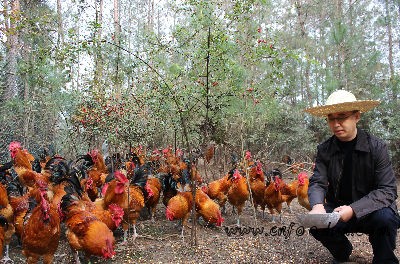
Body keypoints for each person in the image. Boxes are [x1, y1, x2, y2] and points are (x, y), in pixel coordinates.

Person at [304, 90, 400, 264]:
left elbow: (387, 190)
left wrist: (354, 209)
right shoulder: (325, 149)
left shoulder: (377, 148)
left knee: (386, 218)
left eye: (342, 117)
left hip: (372, 209)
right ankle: (342, 252)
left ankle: (384, 259)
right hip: (338, 208)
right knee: (316, 221)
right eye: (331, 118)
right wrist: (317, 206)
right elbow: (318, 181)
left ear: (357, 116)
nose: (336, 123)